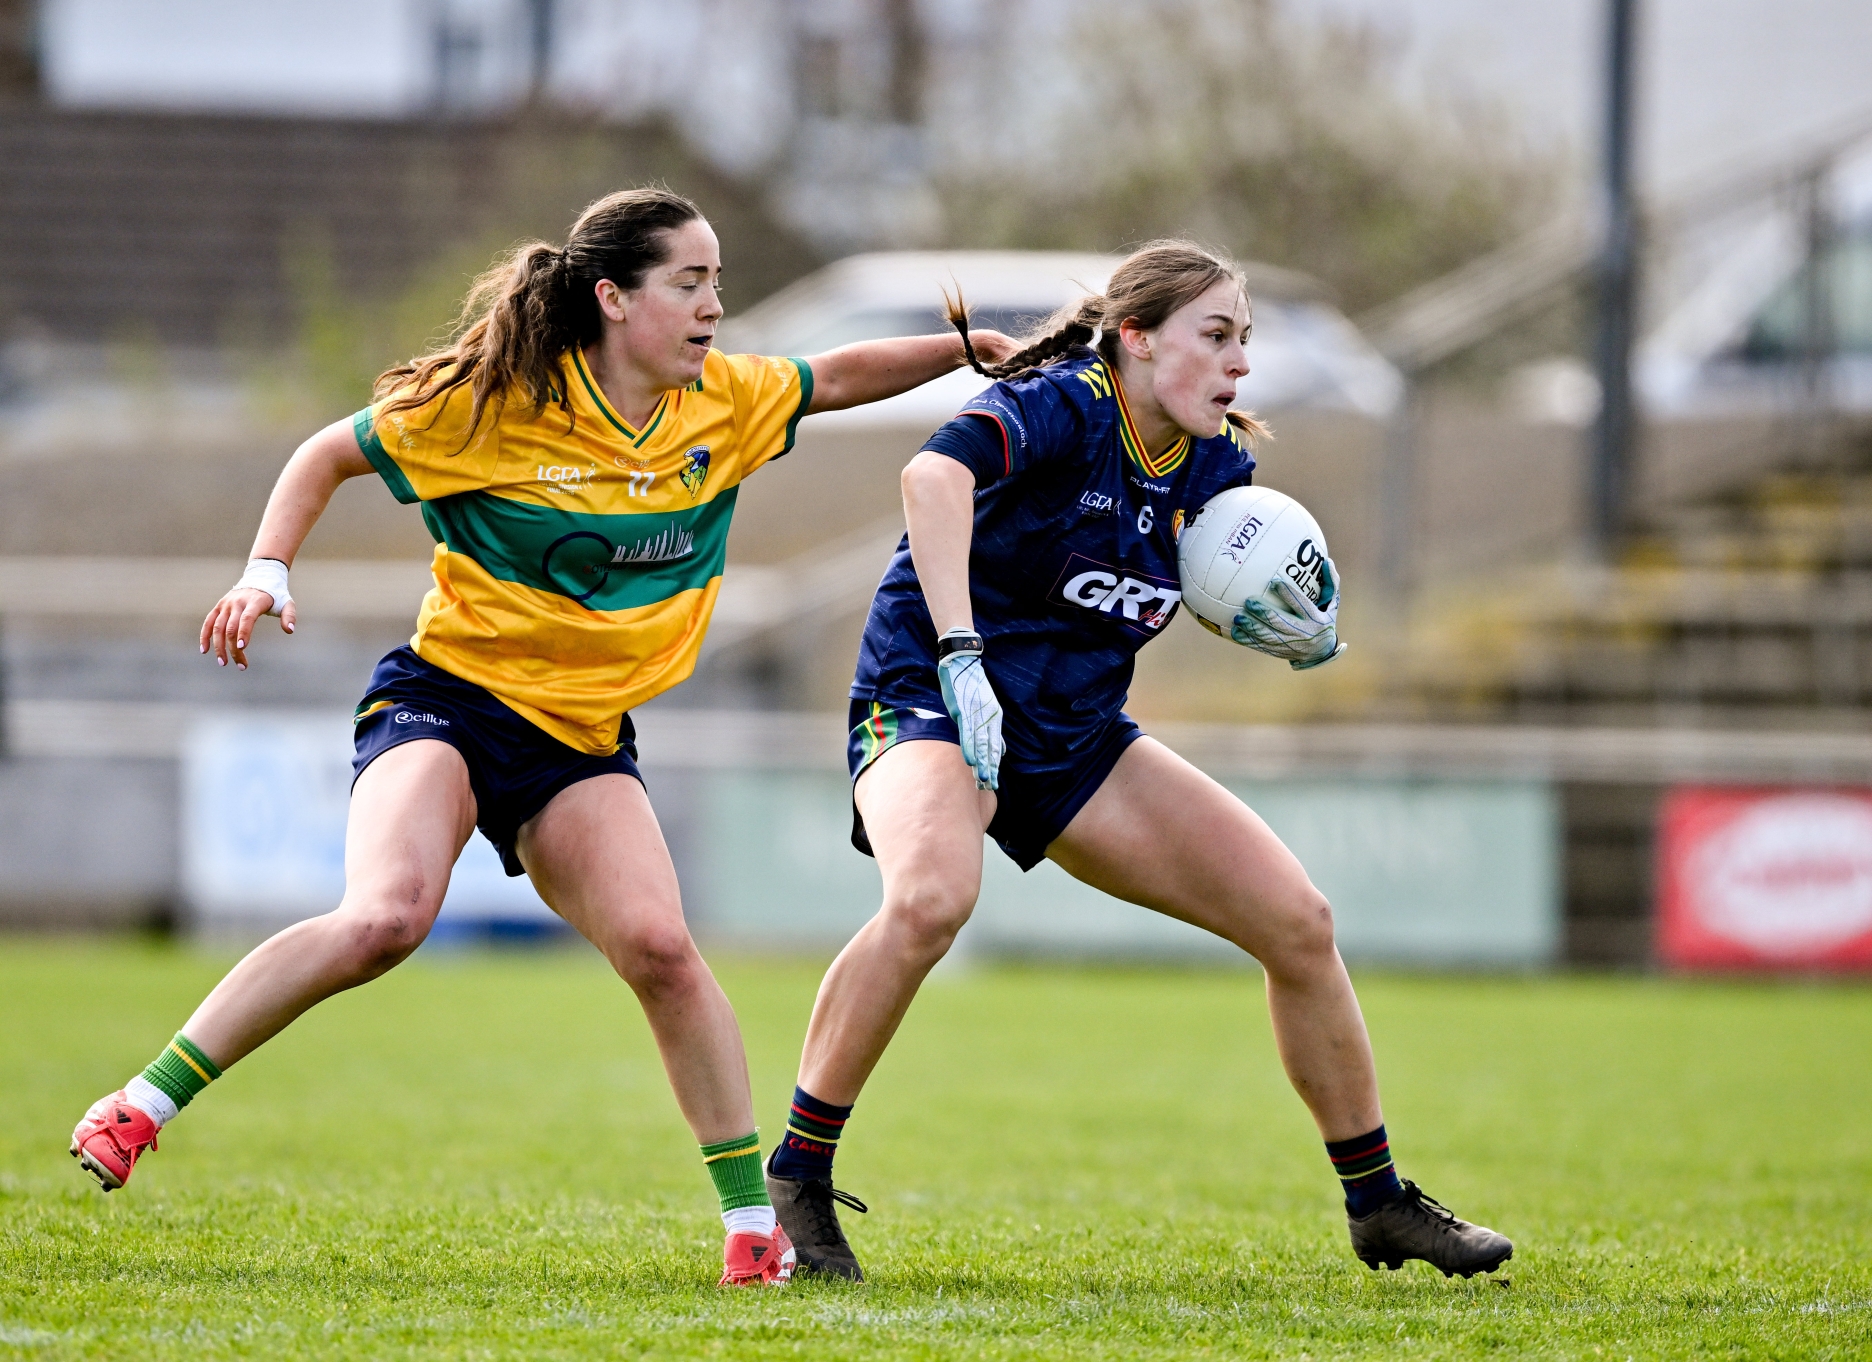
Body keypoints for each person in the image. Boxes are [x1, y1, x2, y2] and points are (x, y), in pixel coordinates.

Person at [66, 187, 1015, 1288]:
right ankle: (140, 1105)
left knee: (662, 952)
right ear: (612, 297)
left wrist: (965, 354)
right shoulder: (494, 401)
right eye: (689, 282)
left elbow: (838, 375)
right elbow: (326, 454)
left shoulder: (724, 401)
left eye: (717, 281)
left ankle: (753, 1231)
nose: (714, 305)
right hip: (449, 703)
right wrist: (265, 571)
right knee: (385, 919)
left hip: (580, 741)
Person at [762, 240, 1513, 1283]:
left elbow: (1196, 582)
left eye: (1245, 340)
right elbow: (930, 476)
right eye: (1217, 335)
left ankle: (1378, 1202)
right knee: (932, 898)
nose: (1240, 362)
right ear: (1137, 339)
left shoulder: (1216, 470)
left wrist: (1285, 625)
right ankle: (798, 1175)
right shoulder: (1063, 405)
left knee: (1299, 924)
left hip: (1072, 737)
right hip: (932, 696)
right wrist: (960, 651)